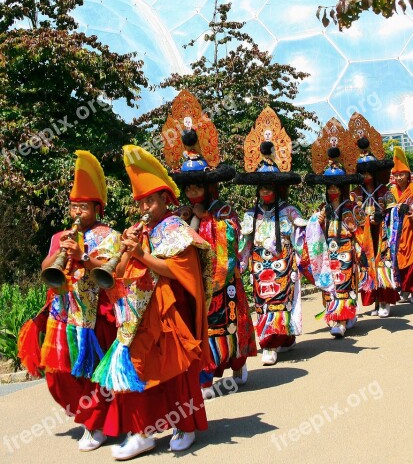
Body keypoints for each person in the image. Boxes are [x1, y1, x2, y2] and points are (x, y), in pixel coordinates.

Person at [85, 145, 211, 460]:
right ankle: (142, 432)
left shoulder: (175, 228)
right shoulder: (141, 230)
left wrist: (142, 254)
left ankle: (185, 425)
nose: (145, 206)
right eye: (141, 201)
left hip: (169, 313)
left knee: (175, 371)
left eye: (151, 200)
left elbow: (179, 271)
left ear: (165, 200)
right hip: (138, 313)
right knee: (135, 369)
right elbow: (121, 270)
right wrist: (127, 249)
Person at [18, 150, 121, 452]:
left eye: (83, 206)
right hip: (63, 316)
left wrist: (83, 257)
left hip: (95, 319)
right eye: (73, 206)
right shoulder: (60, 235)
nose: (77, 212)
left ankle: (96, 424)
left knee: (93, 376)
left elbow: (113, 272)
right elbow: (46, 267)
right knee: (58, 376)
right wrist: (60, 252)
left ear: (96, 208)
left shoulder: (109, 236)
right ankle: (87, 417)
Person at [162, 89, 256, 395]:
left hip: (223, 281)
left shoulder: (224, 211)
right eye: (187, 188)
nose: (192, 193)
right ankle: (206, 374)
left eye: (197, 187)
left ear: (210, 185)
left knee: (228, 323)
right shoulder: (180, 213)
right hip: (193, 284)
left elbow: (231, 238)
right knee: (202, 328)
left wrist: (206, 220)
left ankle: (238, 364)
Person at [235, 107, 306, 366]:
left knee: (280, 301)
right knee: (263, 301)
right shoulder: (249, 216)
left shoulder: (289, 212)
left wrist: (302, 260)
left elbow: (301, 239)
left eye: (270, 186)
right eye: (262, 187)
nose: (265, 191)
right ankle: (269, 341)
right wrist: (238, 265)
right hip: (258, 264)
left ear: (278, 188)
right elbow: (244, 245)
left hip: (283, 263)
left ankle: (279, 340)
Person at [305, 118, 364, 338]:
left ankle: (345, 315)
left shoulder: (352, 207)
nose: (332, 191)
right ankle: (336, 318)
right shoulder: (324, 208)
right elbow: (314, 231)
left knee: (344, 284)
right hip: (328, 252)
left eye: (335, 186)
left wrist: (359, 252)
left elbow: (360, 232)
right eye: (328, 187)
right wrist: (317, 221)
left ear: (342, 186)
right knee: (331, 287)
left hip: (346, 250)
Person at [348, 113, 399, 318]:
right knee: (367, 266)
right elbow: (351, 213)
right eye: (363, 173)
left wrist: (381, 216)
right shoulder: (356, 193)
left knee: (382, 265)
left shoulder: (383, 192)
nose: (366, 176)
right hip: (364, 235)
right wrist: (361, 222)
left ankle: (385, 300)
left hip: (381, 234)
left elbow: (393, 212)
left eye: (369, 172)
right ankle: (375, 302)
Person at [389, 146, 413, 302]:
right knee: (398, 258)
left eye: (401, 174)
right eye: (396, 175)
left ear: (408, 174)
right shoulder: (391, 191)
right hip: (396, 231)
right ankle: (404, 289)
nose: (399, 178)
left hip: (411, 227)